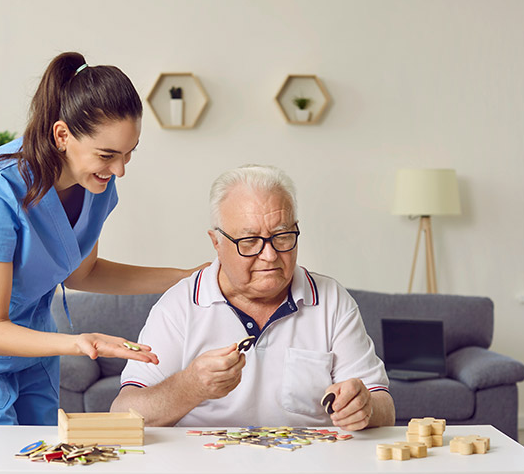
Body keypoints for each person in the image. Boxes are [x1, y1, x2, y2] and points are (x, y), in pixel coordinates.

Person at [0, 52, 205, 462]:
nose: (120, 170)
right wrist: (79, 342)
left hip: (31, 339)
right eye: (107, 155)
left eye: (128, 154)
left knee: (42, 469)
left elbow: (83, 272)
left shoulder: (96, 186)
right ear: (62, 135)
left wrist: (187, 276)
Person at [112, 165, 395, 430]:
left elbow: (384, 407)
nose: (270, 256)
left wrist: (365, 408)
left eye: (282, 236)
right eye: (249, 242)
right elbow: (122, 415)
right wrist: (190, 386)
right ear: (216, 243)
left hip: (307, 473)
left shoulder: (331, 299)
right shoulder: (179, 305)